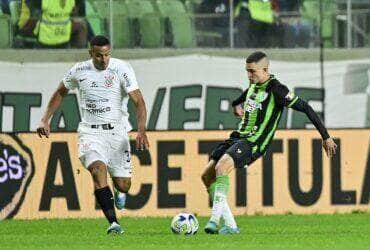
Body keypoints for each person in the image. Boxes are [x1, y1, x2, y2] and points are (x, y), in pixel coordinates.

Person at [201, 51, 337, 235]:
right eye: (247, 71)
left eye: (253, 71)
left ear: (265, 69)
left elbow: (305, 107)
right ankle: (231, 226)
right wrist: (236, 105)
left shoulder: (277, 90)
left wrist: (326, 136)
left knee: (221, 168)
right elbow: (241, 97)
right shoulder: (254, 85)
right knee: (206, 176)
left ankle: (214, 220)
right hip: (238, 136)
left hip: (254, 142)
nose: (249, 76)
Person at [37, 35, 149, 235]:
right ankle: (113, 223)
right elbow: (61, 92)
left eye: (107, 55)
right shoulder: (79, 71)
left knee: (124, 185)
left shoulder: (122, 69)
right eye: (99, 56)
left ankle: (119, 191)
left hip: (117, 132)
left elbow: (138, 101)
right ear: (91, 53)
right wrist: (46, 119)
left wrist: (141, 130)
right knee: (98, 170)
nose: (103, 59)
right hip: (90, 132)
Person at [18, 0, 87, 48]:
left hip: (58, 34)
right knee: (81, 26)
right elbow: (35, 15)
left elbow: (75, 11)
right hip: (30, 25)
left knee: (81, 24)